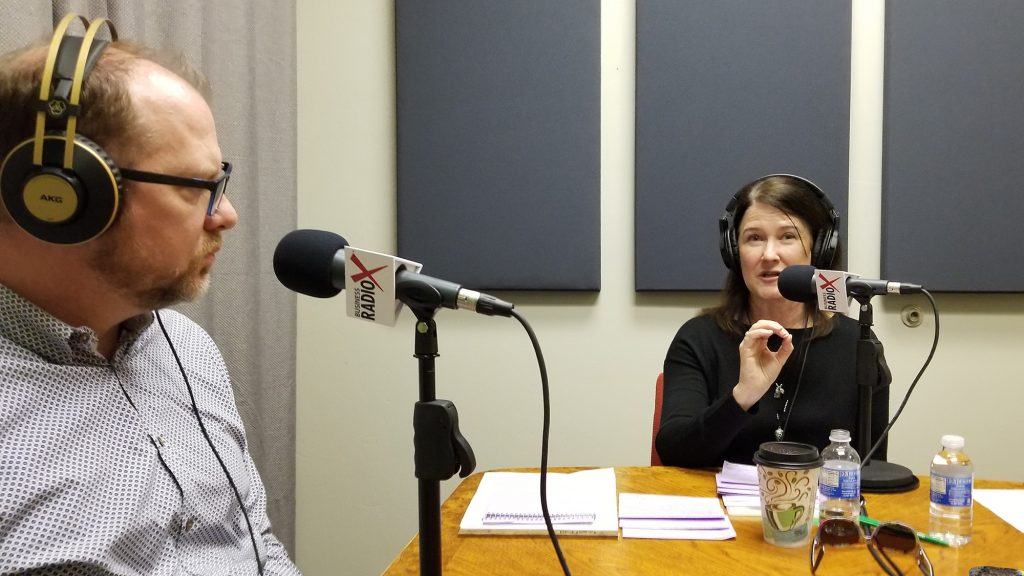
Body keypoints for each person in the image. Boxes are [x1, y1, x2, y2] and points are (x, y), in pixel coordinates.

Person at [0, 17, 300, 574]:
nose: (227, 216)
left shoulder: (185, 347)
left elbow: (254, 542)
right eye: (197, 187)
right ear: (63, 197)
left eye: (222, 182)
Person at [654, 174, 890, 468]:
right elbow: (675, 454)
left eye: (787, 237)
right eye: (754, 238)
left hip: (821, 512)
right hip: (719, 509)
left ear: (820, 249)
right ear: (733, 251)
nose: (769, 255)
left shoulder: (859, 345)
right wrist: (743, 396)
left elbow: (873, 469)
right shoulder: (700, 338)